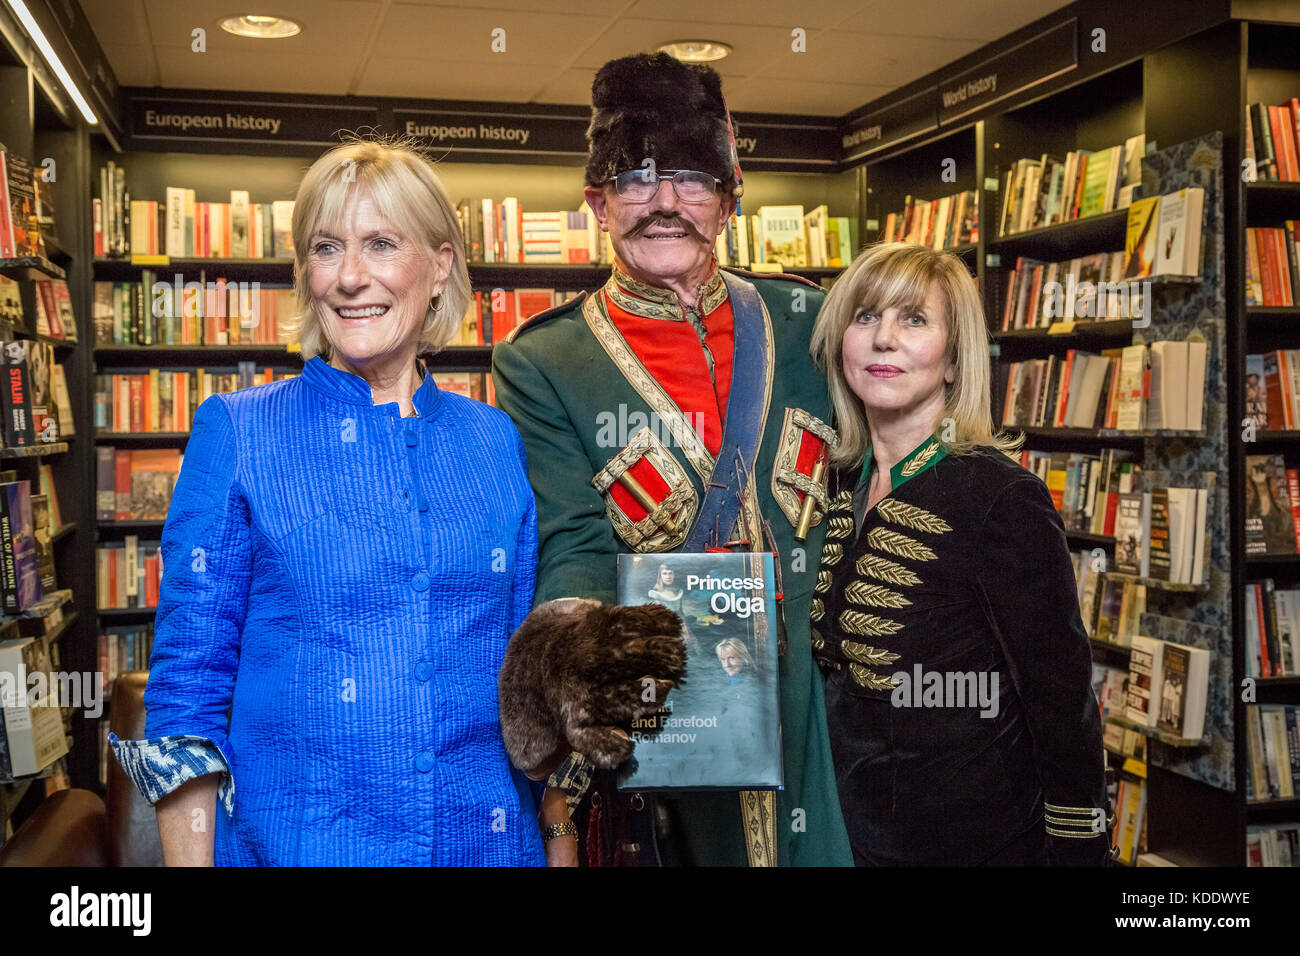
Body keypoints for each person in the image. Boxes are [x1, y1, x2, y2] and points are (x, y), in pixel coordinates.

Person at [109, 136, 554, 867]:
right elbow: (186, 697)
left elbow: (524, 681)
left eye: (381, 244)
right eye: (326, 248)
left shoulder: (493, 441)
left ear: (440, 266)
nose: (350, 277)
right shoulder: (241, 432)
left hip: (488, 845)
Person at [493, 52, 852, 868]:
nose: (663, 204)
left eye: (691, 180)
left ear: (729, 199)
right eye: (633, 181)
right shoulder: (546, 360)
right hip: (680, 701)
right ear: (596, 203)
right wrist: (585, 669)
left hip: (826, 706)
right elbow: (574, 542)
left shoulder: (811, 319)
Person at [806, 241, 1110, 866]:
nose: (884, 339)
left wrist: (1078, 848)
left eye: (913, 319)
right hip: (849, 840)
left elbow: (1061, 698)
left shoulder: (999, 496)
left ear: (952, 360)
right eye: (865, 317)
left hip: (978, 843)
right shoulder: (832, 482)